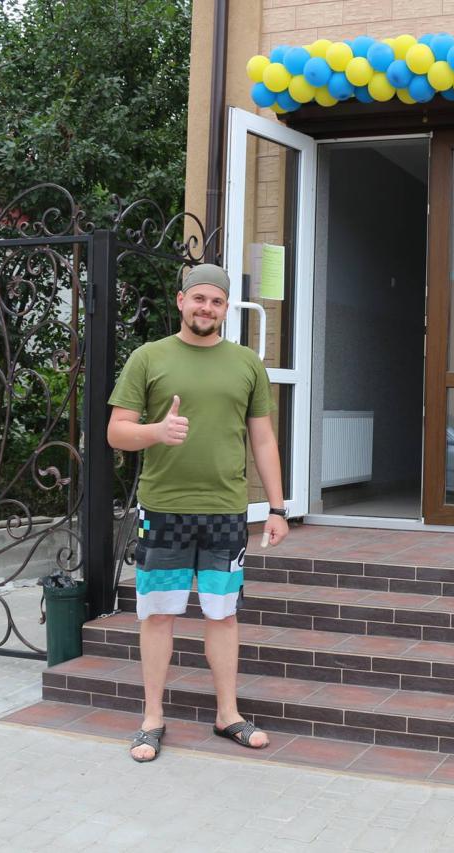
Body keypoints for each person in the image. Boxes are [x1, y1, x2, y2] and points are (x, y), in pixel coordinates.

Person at [106, 262, 289, 762]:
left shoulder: (246, 364)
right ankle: (152, 718)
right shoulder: (149, 358)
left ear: (226, 309)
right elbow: (116, 432)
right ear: (181, 301)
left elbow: (263, 439)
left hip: (225, 513)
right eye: (199, 298)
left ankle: (227, 714)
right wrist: (156, 432)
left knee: (223, 616)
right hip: (163, 511)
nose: (207, 308)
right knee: (158, 616)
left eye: (217, 301)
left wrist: (276, 508)